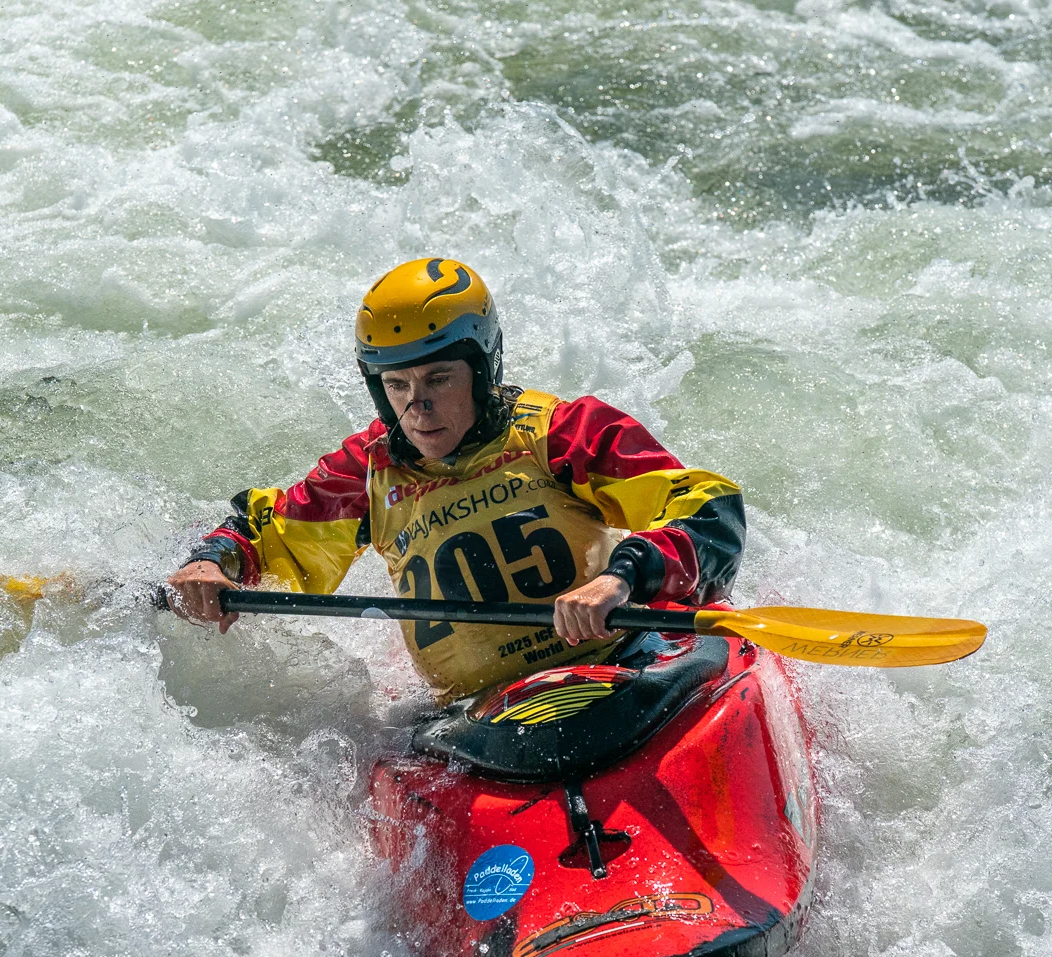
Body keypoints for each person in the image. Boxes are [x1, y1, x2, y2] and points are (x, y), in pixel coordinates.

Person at [167, 257, 746, 701]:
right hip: (472, 718)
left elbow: (709, 505)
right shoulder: (366, 471)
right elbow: (263, 531)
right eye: (397, 386)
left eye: (438, 378)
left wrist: (622, 577)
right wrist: (214, 560)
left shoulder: (566, 433)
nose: (417, 407)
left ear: (482, 366)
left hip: (623, 666)